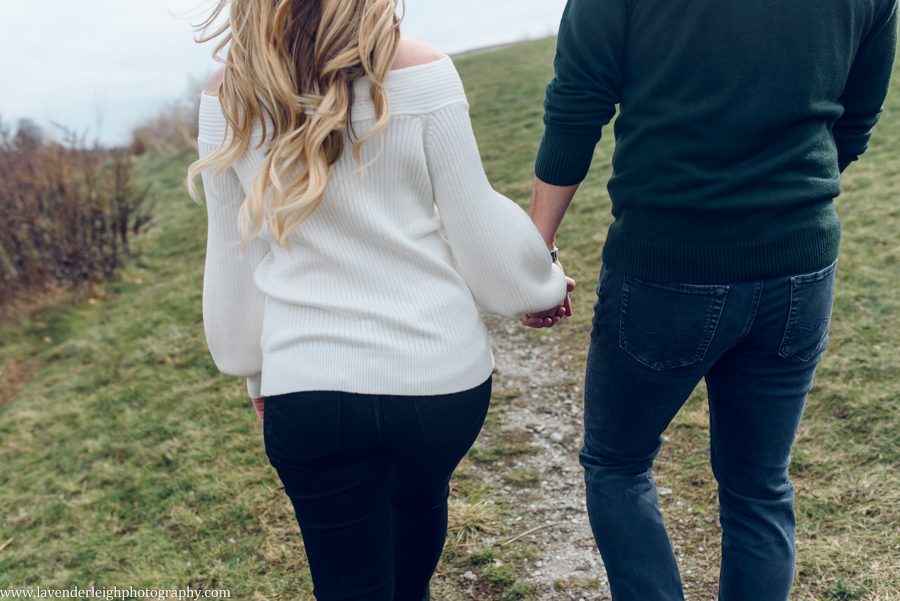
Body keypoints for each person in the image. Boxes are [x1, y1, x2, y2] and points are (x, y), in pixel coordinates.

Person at [186, 1, 572, 599]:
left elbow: (235, 260)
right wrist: (539, 285)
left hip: (307, 390)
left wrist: (257, 374)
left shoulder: (228, 94)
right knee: (417, 514)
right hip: (440, 381)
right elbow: (475, 220)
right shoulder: (421, 68)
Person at [524, 0, 897, 600]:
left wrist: (536, 253)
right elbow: (858, 117)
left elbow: (576, 106)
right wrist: (784, 200)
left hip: (668, 263)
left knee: (618, 464)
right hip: (799, 263)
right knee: (760, 487)